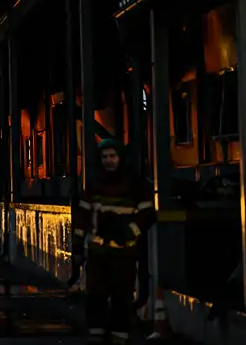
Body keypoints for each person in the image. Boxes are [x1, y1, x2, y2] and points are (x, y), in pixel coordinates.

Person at [73, 138, 156, 345]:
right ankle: (96, 338)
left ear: (121, 158)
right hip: (97, 254)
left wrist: (129, 232)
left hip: (124, 255)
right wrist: (76, 248)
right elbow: (81, 218)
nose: (108, 161)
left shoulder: (136, 185)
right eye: (104, 157)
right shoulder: (93, 185)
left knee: (122, 300)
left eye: (112, 156)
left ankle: (119, 339)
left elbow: (147, 214)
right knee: (95, 300)